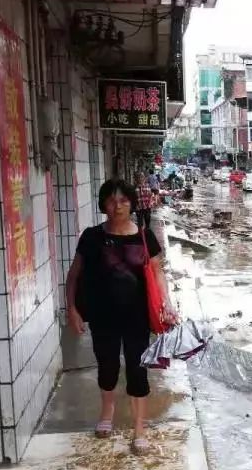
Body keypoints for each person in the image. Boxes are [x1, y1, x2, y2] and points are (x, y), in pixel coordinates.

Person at [65, 179, 175, 454]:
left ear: (132, 203)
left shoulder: (144, 237)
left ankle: (139, 428)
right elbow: (74, 275)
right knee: (107, 365)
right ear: (103, 204)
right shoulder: (91, 237)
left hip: (137, 317)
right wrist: (72, 309)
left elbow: (157, 273)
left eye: (124, 200)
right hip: (103, 315)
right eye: (112, 201)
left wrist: (168, 304)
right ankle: (107, 412)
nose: (118, 206)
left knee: (138, 368)